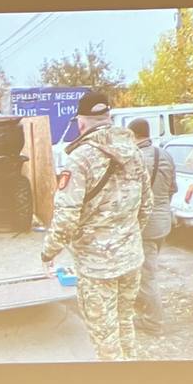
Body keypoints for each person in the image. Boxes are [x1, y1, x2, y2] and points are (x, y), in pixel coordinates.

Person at [42, 90, 151, 361]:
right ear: (108, 118)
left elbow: (66, 218)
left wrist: (48, 252)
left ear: (81, 123)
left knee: (105, 337)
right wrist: (127, 237)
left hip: (97, 267)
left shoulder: (80, 159)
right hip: (131, 258)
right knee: (125, 322)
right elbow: (146, 205)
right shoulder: (134, 152)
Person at [130, 118, 178, 334]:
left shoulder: (135, 158)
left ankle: (153, 322)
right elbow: (172, 189)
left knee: (146, 275)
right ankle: (144, 308)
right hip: (163, 223)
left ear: (132, 135)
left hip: (145, 227)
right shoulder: (165, 155)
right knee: (145, 269)